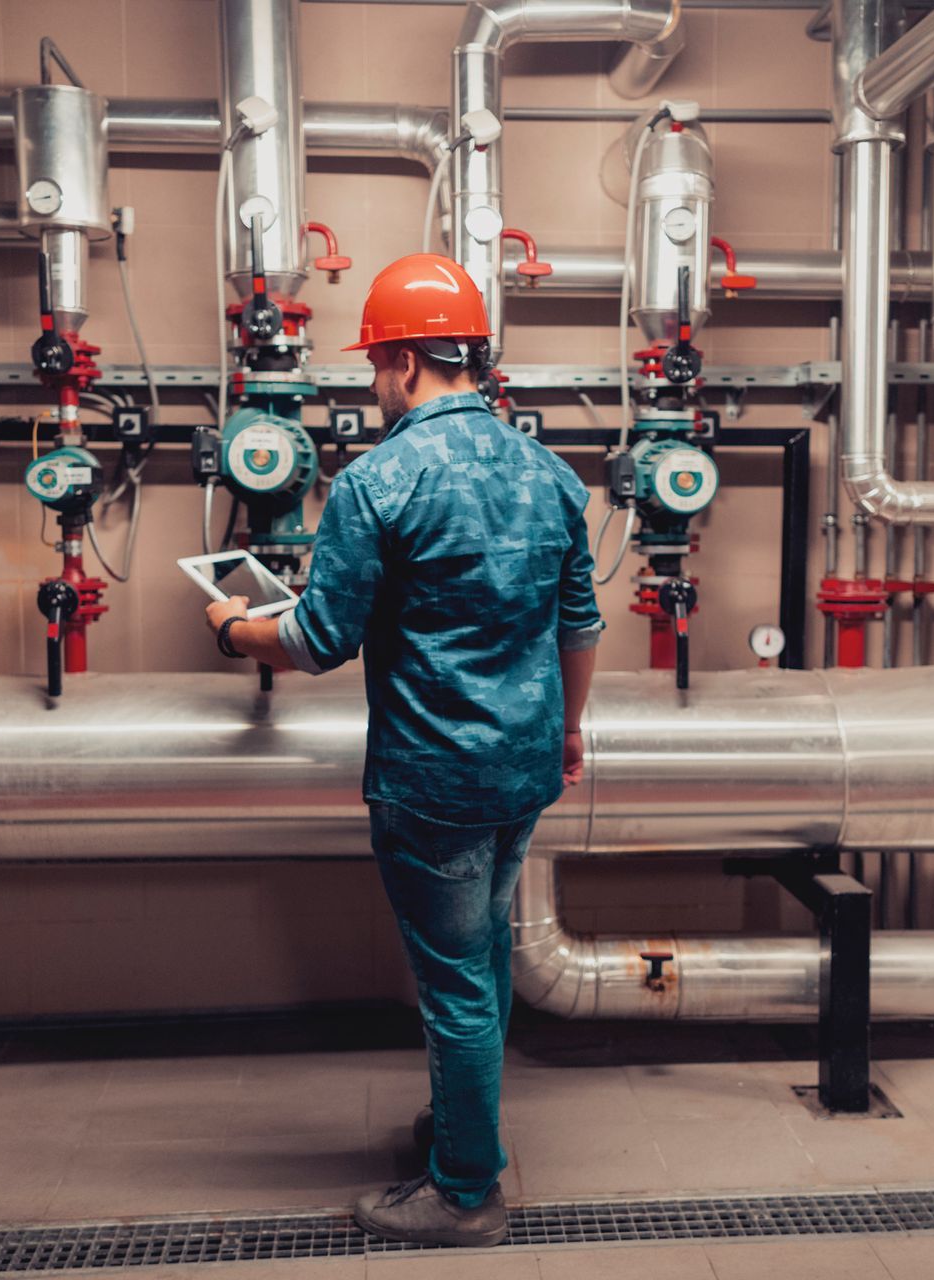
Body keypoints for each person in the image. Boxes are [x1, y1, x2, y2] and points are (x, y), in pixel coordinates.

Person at [203, 253, 603, 1247]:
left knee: (457, 977)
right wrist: (570, 731)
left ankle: (464, 1190)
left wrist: (231, 623)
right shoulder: (551, 474)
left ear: (412, 360)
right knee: (486, 959)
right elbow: (581, 624)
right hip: (522, 770)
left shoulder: (378, 482)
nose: (372, 383)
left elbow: (314, 639)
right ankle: (464, 1125)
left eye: (378, 363)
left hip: (435, 782)